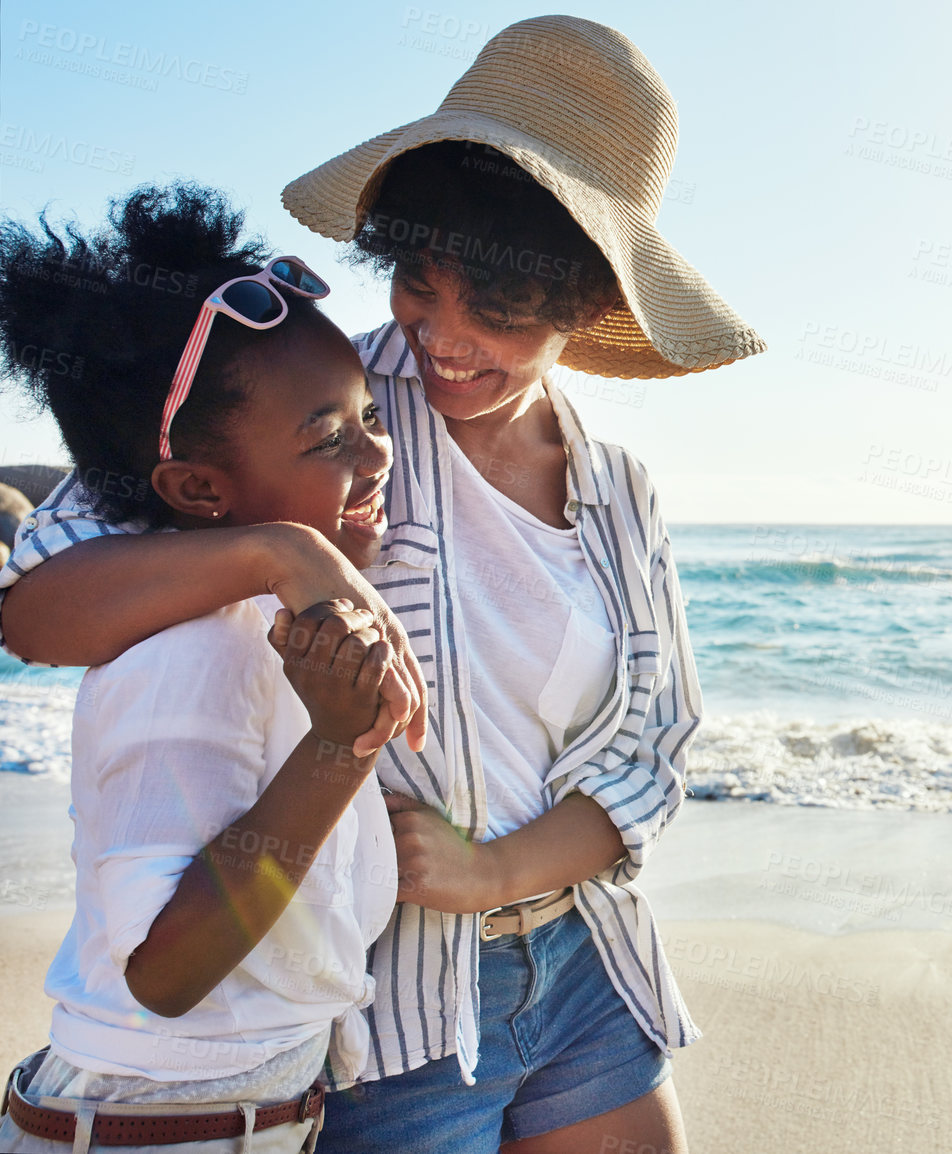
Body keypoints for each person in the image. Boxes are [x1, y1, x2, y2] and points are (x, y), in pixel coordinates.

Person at [0, 16, 766, 1153]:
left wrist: (496, 865)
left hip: (586, 964)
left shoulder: (619, 490)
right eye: (419, 283)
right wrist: (281, 552)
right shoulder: (316, 409)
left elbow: (654, 744)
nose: (444, 339)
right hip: (392, 1005)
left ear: (586, 301)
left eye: (498, 311)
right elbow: (40, 598)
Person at [0, 184, 397, 1152]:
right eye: (330, 436)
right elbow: (164, 971)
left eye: (370, 414)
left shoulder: (260, 618)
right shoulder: (185, 651)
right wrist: (341, 749)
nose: (380, 451)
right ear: (199, 490)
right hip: (155, 1122)